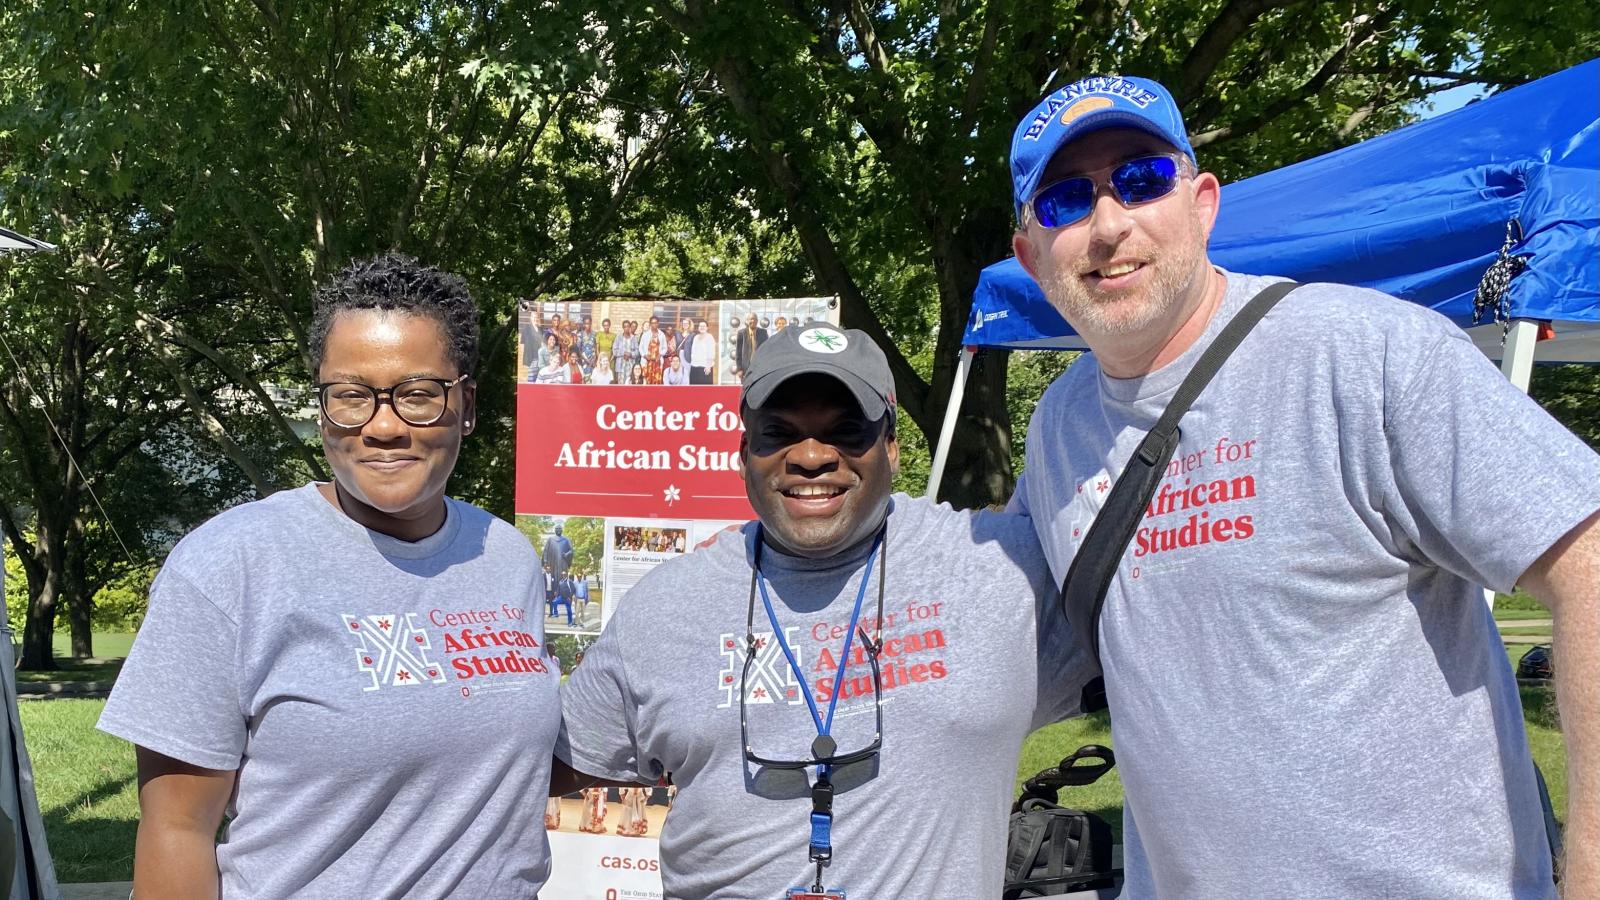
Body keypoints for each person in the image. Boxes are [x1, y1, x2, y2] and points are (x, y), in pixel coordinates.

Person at [1005, 74, 1600, 897]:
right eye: (1067, 201)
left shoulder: (1364, 351)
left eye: (1141, 180)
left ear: (1202, 202)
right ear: (1030, 253)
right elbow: (1018, 653)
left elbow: (1589, 559)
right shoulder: (1059, 427)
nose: (1110, 224)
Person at [556, 323, 1091, 898]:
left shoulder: (1002, 570)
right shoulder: (663, 609)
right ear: (743, 454)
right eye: (779, 433)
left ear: (891, 446)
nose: (811, 457)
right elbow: (560, 771)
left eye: (846, 431)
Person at [98, 252, 560, 897]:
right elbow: (176, 830)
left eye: (419, 395)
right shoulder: (230, 563)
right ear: (322, 406)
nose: (384, 426)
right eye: (351, 396)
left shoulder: (505, 557)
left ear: (468, 405)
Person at [731, 312, 767, 382]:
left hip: (759, 367)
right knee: (746, 387)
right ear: (747, 321)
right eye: (750, 319)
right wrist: (739, 369)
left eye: (754, 319)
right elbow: (738, 353)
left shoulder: (763, 332)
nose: (752, 321)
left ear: (757, 321)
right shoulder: (741, 333)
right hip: (745, 369)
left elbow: (766, 350)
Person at [641, 315, 667, 385]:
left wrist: (660, 354)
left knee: (657, 381)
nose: (654, 324)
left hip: (657, 362)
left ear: (658, 323)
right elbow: (641, 348)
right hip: (647, 362)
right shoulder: (645, 334)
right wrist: (645, 355)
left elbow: (665, 348)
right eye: (652, 323)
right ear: (650, 324)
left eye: (655, 323)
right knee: (646, 381)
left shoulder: (661, 334)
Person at [690, 318, 717, 384]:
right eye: (700, 326)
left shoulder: (709, 337)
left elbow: (711, 353)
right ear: (698, 328)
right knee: (694, 389)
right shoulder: (696, 337)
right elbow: (693, 351)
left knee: (705, 390)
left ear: (707, 328)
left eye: (704, 326)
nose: (702, 327)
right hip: (694, 366)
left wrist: (708, 366)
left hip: (705, 367)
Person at [613, 320, 640, 385]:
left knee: (630, 384)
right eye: (625, 327)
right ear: (623, 328)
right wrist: (624, 353)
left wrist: (630, 354)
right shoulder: (618, 337)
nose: (626, 328)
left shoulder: (633, 338)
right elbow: (614, 351)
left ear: (630, 327)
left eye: (628, 326)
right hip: (621, 366)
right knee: (620, 385)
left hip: (630, 366)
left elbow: (637, 352)